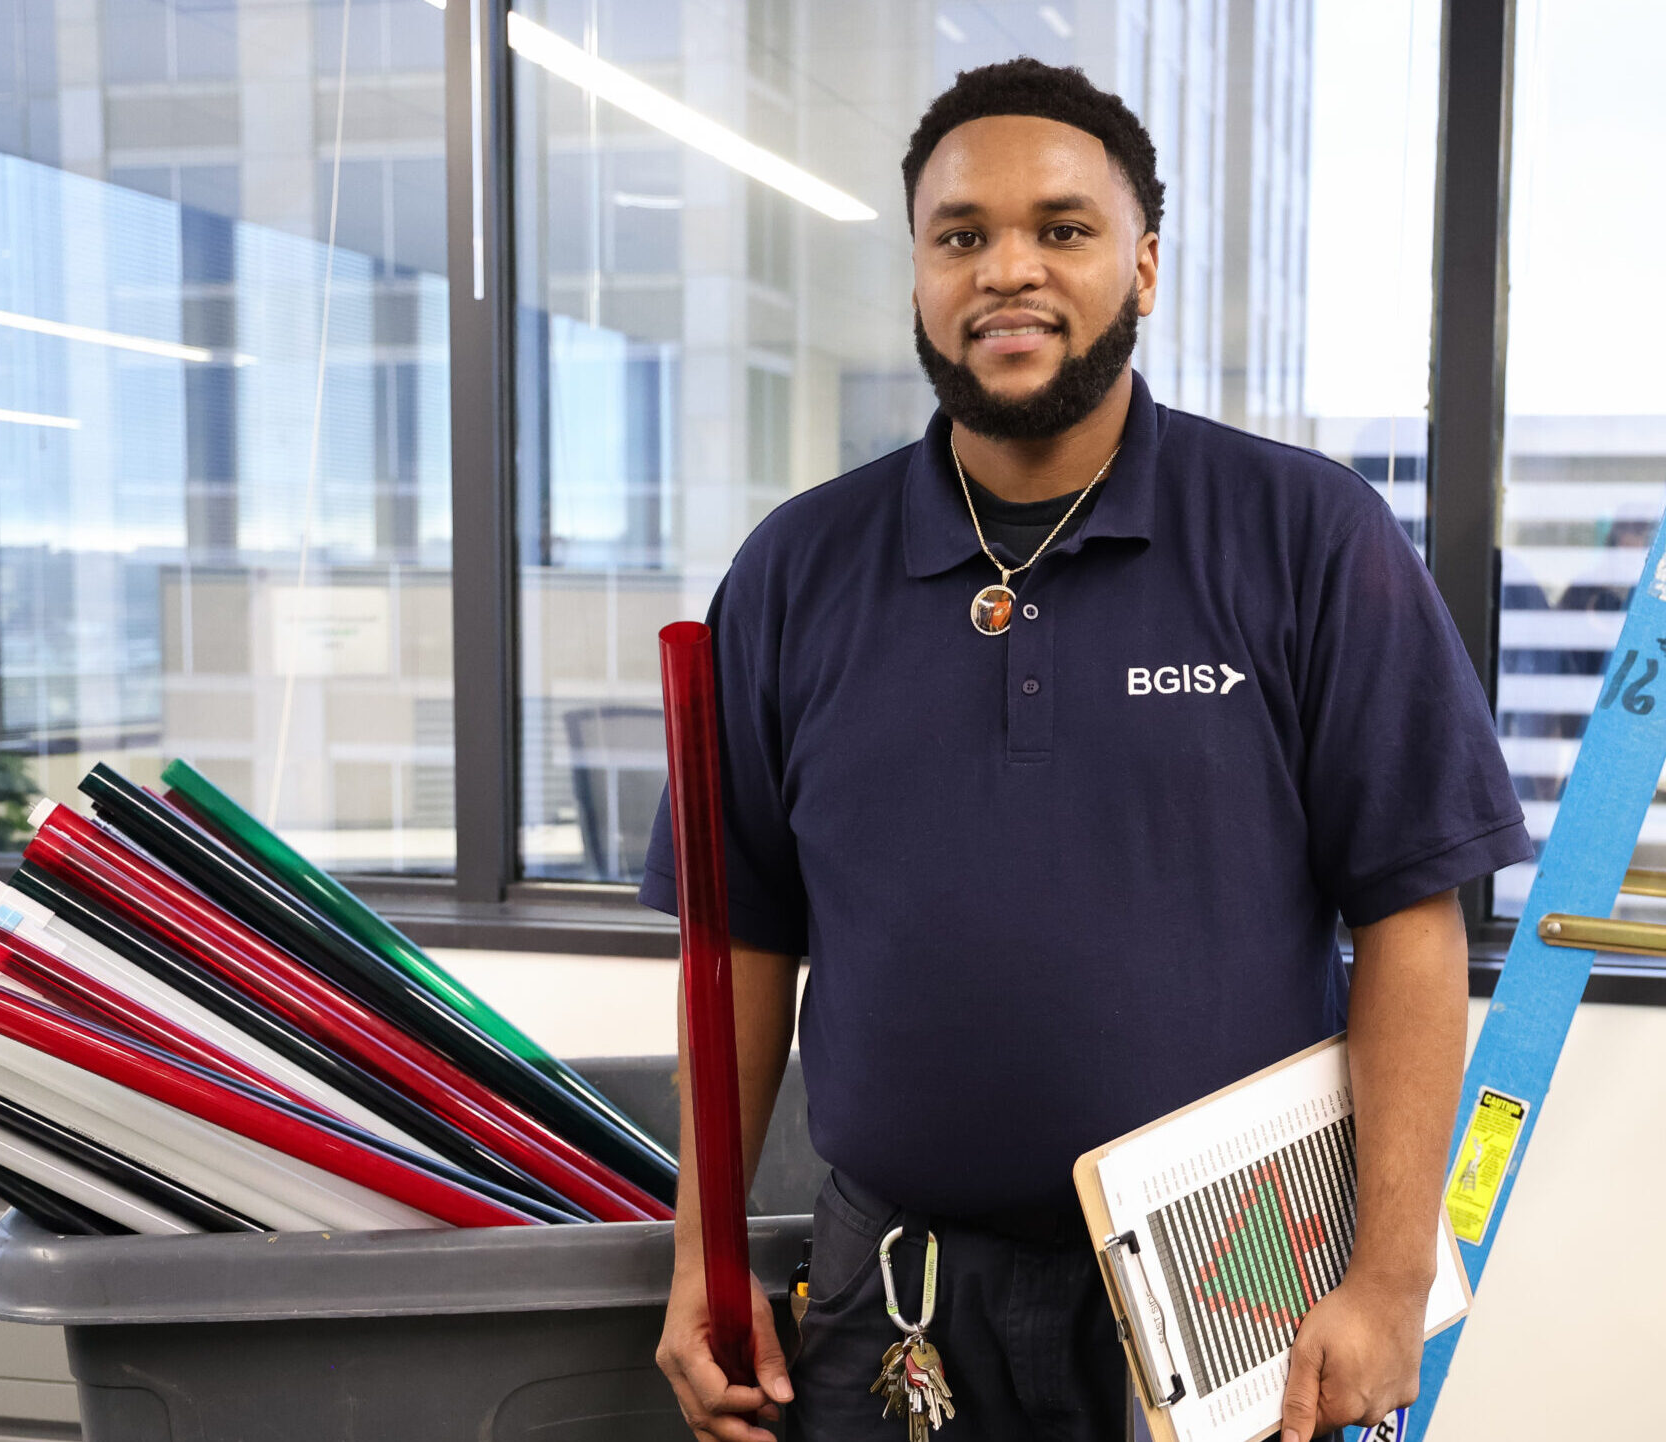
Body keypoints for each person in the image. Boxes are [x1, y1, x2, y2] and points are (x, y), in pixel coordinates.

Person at [643, 56, 1530, 1442]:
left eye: (1062, 228)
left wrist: (1392, 1271)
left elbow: (1411, 919)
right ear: (919, 275)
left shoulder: (1307, 538)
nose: (1008, 269)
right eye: (960, 236)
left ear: (1145, 266)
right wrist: (702, 1257)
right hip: (896, 1301)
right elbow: (741, 943)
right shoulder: (797, 570)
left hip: (1237, 1290)